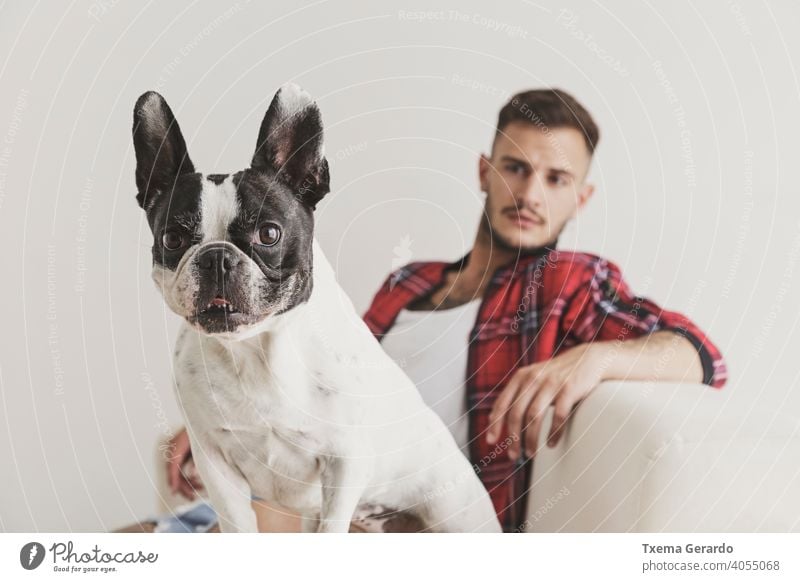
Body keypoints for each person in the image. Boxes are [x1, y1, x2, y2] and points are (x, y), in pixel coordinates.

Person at [164, 88, 728, 533]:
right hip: (337, 503)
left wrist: (592, 361)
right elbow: (331, 391)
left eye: (556, 179)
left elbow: (702, 355)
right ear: (485, 171)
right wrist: (233, 416)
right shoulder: (409, 283)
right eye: (516, 167)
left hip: (446, 519)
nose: (530, 193)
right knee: (159, 534)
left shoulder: (573, 283)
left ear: (581, 197)